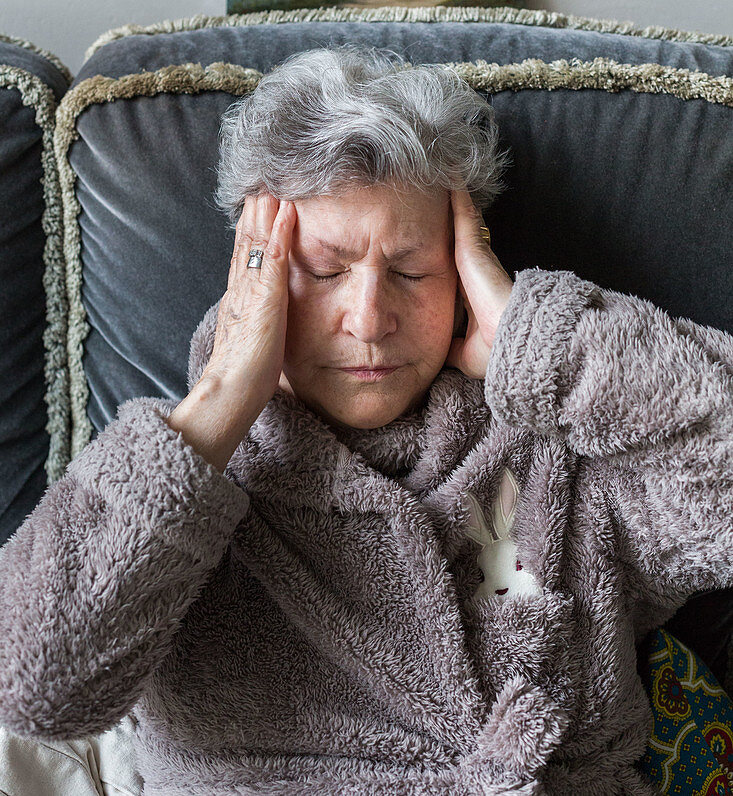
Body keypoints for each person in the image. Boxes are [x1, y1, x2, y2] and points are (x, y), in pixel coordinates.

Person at [0, 45, 731, 796]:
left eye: (413, 270)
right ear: (254, 277)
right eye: (323, 271)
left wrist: (537, 340)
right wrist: (222, 395)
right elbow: (34, 687)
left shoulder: (559, 450)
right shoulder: (184, 476)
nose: (370, 318)